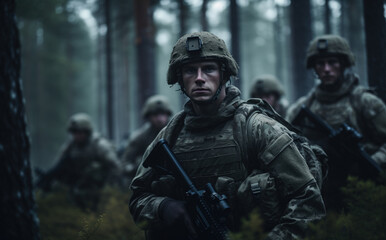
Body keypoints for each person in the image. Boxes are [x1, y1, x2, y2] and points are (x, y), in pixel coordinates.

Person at [129, 32, 325, 240]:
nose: (199, 78)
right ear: (180, 78)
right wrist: (163, 206)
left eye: (209, 69)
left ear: (224, 74)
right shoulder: (170, 135)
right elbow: (137, 198)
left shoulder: (258, 129)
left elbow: (308, 200)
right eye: (189, 70)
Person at [287, 35, 386, 209]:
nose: (326, 69)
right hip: (320, 196)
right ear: (314, 68)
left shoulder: (366, 103)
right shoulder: (301, 109)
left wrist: (369, 162)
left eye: (332, 62)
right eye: (320, 64)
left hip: (362, 193)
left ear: (343, 64)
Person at [36, 113, 120, 210]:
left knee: (94, 168)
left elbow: (115, 166)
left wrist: (111, 188)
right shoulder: (71, 146)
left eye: (79, 132)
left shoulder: (99, 145)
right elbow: (59, 165)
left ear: (87, 132)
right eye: (74, 132)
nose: (76, 136)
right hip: (79, 183)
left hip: (99, 185)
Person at [121, 95, 173, 184]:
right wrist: (139, 168)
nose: (159, 119)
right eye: (155, 115)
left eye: (162, 114)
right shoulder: (139, 137)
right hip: (149, 181)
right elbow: (125, 164)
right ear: (148, 116)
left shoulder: (175, 131)